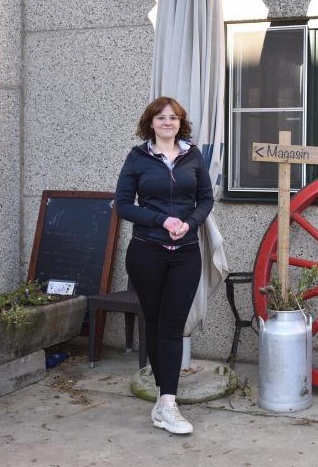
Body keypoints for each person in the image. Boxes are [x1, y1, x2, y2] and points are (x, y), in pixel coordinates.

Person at [114, 96, 214, 435]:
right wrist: (162, 219)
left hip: (185, 253)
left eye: (173, 117)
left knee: (171, 326)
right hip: (147, 251)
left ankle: (169, 404)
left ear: (180, 123)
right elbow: (124, 205)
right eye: (161, 117)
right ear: (151, 123)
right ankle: (163, 400)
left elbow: (206, 199)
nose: (167, 122)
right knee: (155, 324)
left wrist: (191, 222)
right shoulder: (138, 157)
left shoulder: (193, 156)